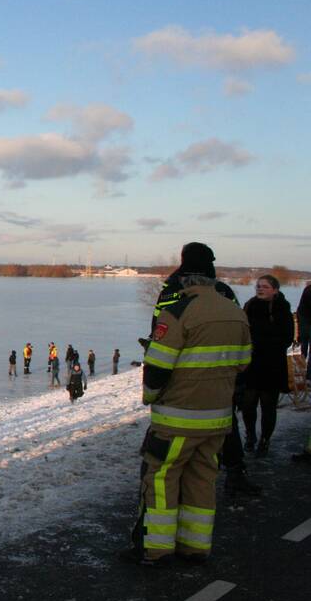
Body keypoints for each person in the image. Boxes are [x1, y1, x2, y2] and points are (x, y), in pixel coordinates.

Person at [121, 250, 251, 566]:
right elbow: (243, 363)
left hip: (178, 417)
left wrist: (151, 397)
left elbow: (158, 367)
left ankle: (158, 549)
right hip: (218, 417)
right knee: (202, 479)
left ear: (184, 280)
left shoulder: (178, 311)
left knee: (162, 478)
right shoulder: (236, 312)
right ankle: (194, 547)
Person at [148, 243, 260, 495]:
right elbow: (241, 336)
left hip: (180, 379)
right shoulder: (223, 292)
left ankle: (174, 482)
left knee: (170, 438)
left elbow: (158, 331)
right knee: (223, 428)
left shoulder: (170, 291)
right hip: (222, 377)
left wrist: (153, 385)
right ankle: (233, 472)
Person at [239, 274, 294, 457]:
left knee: (268, 405)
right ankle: (250, 436)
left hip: (272, 364)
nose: (260, 289)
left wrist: (262, 342)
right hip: (251, 364)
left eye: (264, 286)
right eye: (258, 286)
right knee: (248, 404)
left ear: (275, 290)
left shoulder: (282, 308)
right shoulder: (250, 305)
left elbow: (287, 338)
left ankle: (265, 439)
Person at [297, 280, 311, 359]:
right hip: (306, 321)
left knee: (304, 344)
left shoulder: (307, 289)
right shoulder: (308, 290)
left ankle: (302, 365)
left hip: (303, 320)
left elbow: (300, 309)